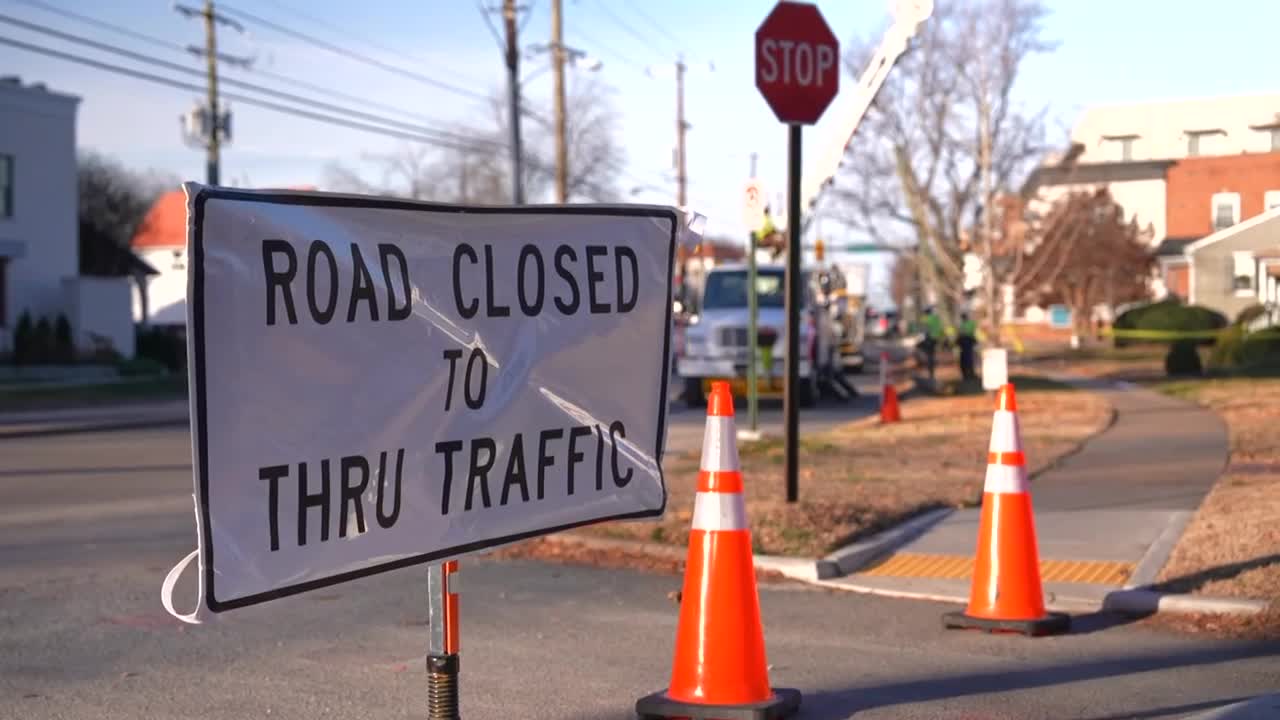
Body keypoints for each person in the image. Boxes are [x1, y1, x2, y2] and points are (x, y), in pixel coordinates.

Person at [919, 306, 943, 381]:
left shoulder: (925, 319)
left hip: (928, 339)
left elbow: (924, 330)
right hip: (935, 339)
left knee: (929, 356)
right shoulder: (936, 318)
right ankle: (932, 373)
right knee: (931, 355)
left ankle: (930, 374)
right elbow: (939, 328)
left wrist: (922, 339)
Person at [957, 312, 979, 381]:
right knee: (969, 359)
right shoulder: (970, 323)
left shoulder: (962, 325)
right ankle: (970, 373)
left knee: (965, 359)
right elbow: (973, 331)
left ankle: (966, 374)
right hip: (968, 342)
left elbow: (962, 333)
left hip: (965, 342)